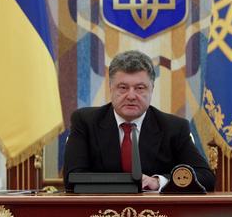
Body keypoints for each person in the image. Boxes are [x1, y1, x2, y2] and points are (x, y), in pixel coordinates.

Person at [63, 50, 215, 191]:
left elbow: (205, 178)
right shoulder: (85, 122)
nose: (131, 96)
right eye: (123, 87)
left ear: (152, 89)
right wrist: (122, 185)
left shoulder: (174, 127)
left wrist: (159, 182)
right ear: (110, 88)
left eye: (140, 88)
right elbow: (72, 178)